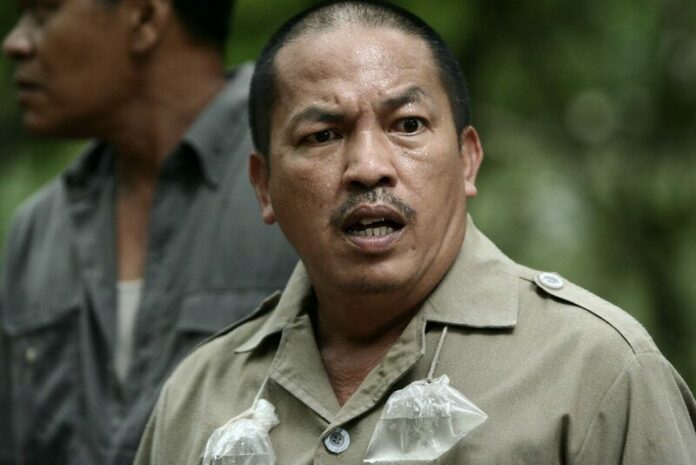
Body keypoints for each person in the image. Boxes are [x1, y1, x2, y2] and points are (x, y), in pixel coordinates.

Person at [134, 1, 696, 464]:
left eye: (407, 125)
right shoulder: (199, 395)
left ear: (467, 160)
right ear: (264, 187)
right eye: (323, 135)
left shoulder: (595, 371)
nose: (368, 167)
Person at [0, 0, 297, 463]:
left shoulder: (302, 181)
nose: (15, 43)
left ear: (143, 18)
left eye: (42, 13)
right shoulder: (37, 231)